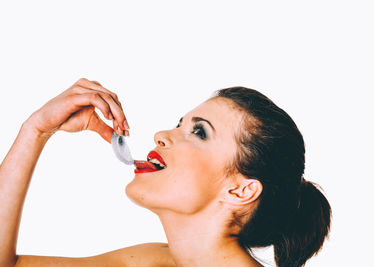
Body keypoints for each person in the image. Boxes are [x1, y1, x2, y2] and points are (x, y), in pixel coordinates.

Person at [0, 78, 331, 267]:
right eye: (179, 124)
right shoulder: (150, 262)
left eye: (199, 132)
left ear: (240, 190)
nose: (161, 134)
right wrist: (36, 130)